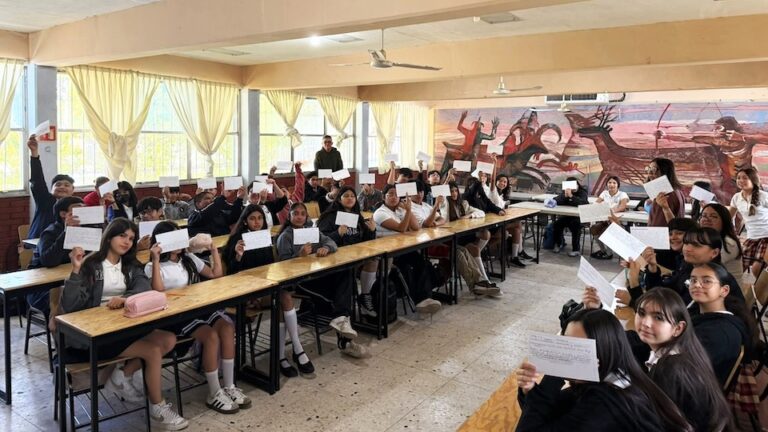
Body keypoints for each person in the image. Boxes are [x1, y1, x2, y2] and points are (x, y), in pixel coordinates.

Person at [60, 219, 188, 430]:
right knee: (153, 351)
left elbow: (144, 287)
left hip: (124, 325)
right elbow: (71, 305)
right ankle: (158, 408)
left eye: (131, 238)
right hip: (95, 333)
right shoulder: (90, 264)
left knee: (169, 338)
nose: (127, 242)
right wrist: (75, 270)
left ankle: (122, 375)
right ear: (109, 236)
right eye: (122, 236)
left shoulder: (130, 264)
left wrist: (125, 299)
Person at [515, 308, 692, 431]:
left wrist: (556, 371)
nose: (566, 353)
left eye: (577, 348)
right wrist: (531, 391)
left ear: (603, 351)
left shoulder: (606, 402)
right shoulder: (618, 375)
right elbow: (556, 410)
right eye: (566, 342)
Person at [582, 287, 732, 431]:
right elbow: (624, 341)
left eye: (658, 318)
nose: (645, 323)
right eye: (641, 313)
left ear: (678, 328)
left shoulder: (671, 370)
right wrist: (595, 312)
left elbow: (645, 421)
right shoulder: (682, 350)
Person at [145, 221, 250, 413]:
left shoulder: (189, 259)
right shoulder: (153, 266)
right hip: (176, 315)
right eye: (172, 237)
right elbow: (158, 291)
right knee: (210, 336)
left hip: (197, 307)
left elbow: (216, 274)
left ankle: (229, 386)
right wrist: (156, 258)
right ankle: (214, 392)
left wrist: (213, 250)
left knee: (227, 328)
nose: (178, 241)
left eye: (179, 236)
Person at [223, 205, 317, 375]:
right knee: (285, 298)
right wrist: (238, 255)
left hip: (265, 287)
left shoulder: (264, 237)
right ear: (245, 221)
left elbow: (271, 267)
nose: (257, 222)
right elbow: (231, 275)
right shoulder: (237, 240)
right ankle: (297, 349)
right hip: (244, 293)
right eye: (252, 218)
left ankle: (281, 356)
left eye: (260, 218)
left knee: (281, 302)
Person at [277, 202, 368, 358]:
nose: (299, 217)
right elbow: (282, 266)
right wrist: (299, 256)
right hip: (301, 282)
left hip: (317, 275)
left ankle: (342, 323)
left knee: (345, 274)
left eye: (302, 214)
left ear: (306, 217)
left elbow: (331, 242)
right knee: (340, 295)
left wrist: (326, 248)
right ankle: (344, 337)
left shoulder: (311, 232)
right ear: (289, 216)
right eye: (295, 214)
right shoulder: (285, 237)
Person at [624, 227, 746, 307]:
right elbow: (663, 292)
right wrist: (653, 266)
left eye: (696, 245)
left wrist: (634, 284)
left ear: (714, 253)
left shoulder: (709, 282)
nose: (687, 249)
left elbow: (671, 314)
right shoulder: (689, 268)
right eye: (686, 243)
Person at [373, 185, 443, 314]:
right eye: (390, 194)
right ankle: (418, 300)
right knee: (406, 268)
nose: (394, 197)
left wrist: (407, 210)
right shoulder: (380, 213)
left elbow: (416, 227)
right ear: (383, 197)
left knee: (422, 262)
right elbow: (401, 228)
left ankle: (426, 298)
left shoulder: (400, 210)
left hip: (403, 248)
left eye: (396, 195)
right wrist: (409, 210)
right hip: (389, 253)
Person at [687, 262, 753, 386]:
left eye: (707, 281)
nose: (696, 285)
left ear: (724, 290)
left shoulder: (720, 333)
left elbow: (687, 372)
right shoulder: (702, 317)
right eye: (693, 280)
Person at [316, 187, 378, 318]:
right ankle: (342, 315)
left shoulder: (357, 216)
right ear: (339, 199)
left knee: (375, 260)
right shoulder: (330, 216)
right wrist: (337, 233)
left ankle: (365, 297)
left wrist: (372, 231)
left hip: (354, 256)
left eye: (352, 196)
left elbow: (366, 241)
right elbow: (320, 240)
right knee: (347, 270)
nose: (350, 198)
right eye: (346, 196)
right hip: (335, 258)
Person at [26, 197, 85, 316]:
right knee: (71, 299)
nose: (83, 213)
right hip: (44, 289)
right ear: (63, 214)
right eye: (78, 209)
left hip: (69, 281)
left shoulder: (84, 231)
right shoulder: (49, 233)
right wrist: (67, 232)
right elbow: (49, 261)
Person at [440, 181, 499, 296]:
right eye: (451, 191)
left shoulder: (463, 203)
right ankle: (480, 283)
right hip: (450, 238)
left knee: (475, 245)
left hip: (461, 235)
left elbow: (481, 213)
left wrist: (469, 216)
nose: (454, 193)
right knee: (468, 252)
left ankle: (482, 281)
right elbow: (444, 216)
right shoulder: (445, 204)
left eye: (455, 191)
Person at [27, 134, 76, 239]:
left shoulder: (76, 205)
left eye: (66, 185)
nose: (62, 187)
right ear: (51, 189)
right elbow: (37, 180)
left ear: (73, 190)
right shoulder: (45, 200)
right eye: (58, 184)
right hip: (40, 243)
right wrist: (34, 154)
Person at [729, 167, 768, 275]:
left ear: (753, 179)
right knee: (739, 268)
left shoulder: (763, 196)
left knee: (756, 269)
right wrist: (732, 233)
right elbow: (729, 217)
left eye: (745, 178)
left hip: (766, 237)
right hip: (751, 237)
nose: (741, 180)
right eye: (738, 178)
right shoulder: (736, 197)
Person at [699, 203, 743, 281]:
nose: (707, 219)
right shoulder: (704, 238)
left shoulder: (729, 243)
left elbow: (706, 265)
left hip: (726, 286)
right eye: (704, 216)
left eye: (713, 216)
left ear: (724, 221)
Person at [590, 175, 629, 260]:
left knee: (607, 231)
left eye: (614, 183)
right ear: (607, 184)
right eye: (609, 182)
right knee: (594, 230)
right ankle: (603, 250)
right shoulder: (604, 193)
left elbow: (623, 206)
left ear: (618, 185)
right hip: (605, 220)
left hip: (617, 222)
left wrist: (612, 210)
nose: (611, 184)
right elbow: (596, 204)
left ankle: (609, 253)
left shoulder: (623, 194)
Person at [551, 177, 589, 257]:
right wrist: (564, 196)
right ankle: (559, 243)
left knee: (575, 225)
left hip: (579, 217)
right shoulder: (566, 191)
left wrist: (571, 196)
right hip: (567, 215)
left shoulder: (582, 192)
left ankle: (576, 249)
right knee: (557, 224)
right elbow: (555, 200)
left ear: (576, 184)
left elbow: (583, 203)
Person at [645, 158, 686, 227]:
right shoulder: (675, 190)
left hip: (662, 232)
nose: (649, 173)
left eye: (654, 169)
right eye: (649, 169)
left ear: (665, 171)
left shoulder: (666, 194)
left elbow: (663, 224)